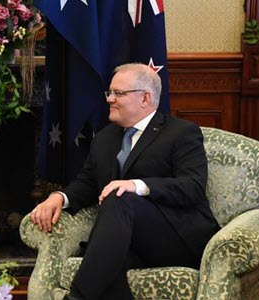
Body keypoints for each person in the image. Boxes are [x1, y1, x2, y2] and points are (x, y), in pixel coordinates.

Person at [30, 63, 220, 299]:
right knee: (108, 268)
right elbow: (88, 182)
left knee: (120, 199)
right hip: (127, 239)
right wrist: (59, 197)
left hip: (178, 238)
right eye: (109, 92)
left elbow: (192, 186)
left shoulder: (181, 133)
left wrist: (137, 185)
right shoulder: (105, 137)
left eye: (118, 93)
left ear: (145, 98)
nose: (110, 99)